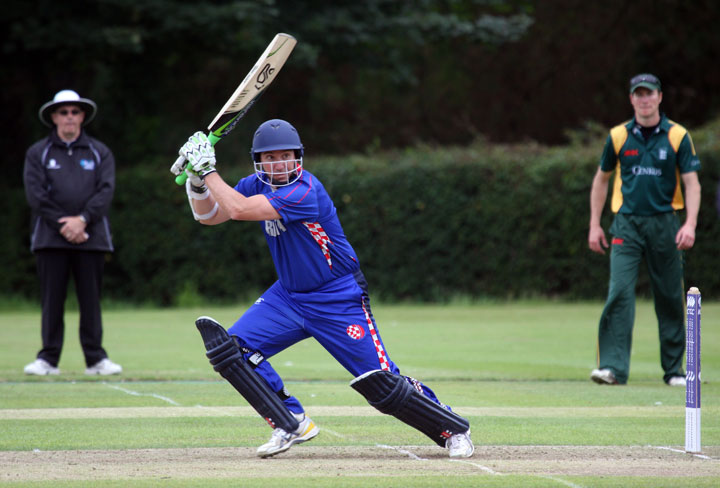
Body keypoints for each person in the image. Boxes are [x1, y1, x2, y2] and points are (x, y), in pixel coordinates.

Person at [174, 120, 474, 458]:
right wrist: (198, 183)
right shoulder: (254, 184)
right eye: (270, 158)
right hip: (287, 298)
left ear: (298, 157)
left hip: (337, 297)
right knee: (230, 352)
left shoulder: (305, 190)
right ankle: (290, 421)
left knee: (382, 382)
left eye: (286, 156)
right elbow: (210, 216)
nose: (279, 164)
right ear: (259, 161)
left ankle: (452, 428)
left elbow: (239, 210)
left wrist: (207, 168)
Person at [587, 74, 701, 386]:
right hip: (627, 222)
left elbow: (692, 183)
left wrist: (689, 223)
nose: (644, 99)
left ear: (660, 97)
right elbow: (601, 179)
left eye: (649, 93)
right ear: (632, 99)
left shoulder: (678, 135)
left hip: (665, 221)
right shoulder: (619, 136)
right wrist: (595, 224)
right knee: (620, 291)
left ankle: (675, 371)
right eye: (639, 94)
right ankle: (612, 368)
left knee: (668, 295)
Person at [22, 89, 122, 376]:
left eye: (74, 112)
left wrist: (82, 220)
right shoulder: (38, 152)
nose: (69, 117)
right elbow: (35, 195)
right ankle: (48, 359)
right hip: (50, 238)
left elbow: (105, 191)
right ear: (54, 116)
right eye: (63, 112)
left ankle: (96, 360)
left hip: (91, 237)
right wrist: (64, 224)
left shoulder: (99, 151)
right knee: (52, 300)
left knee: (90, 300)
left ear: (82, 117)